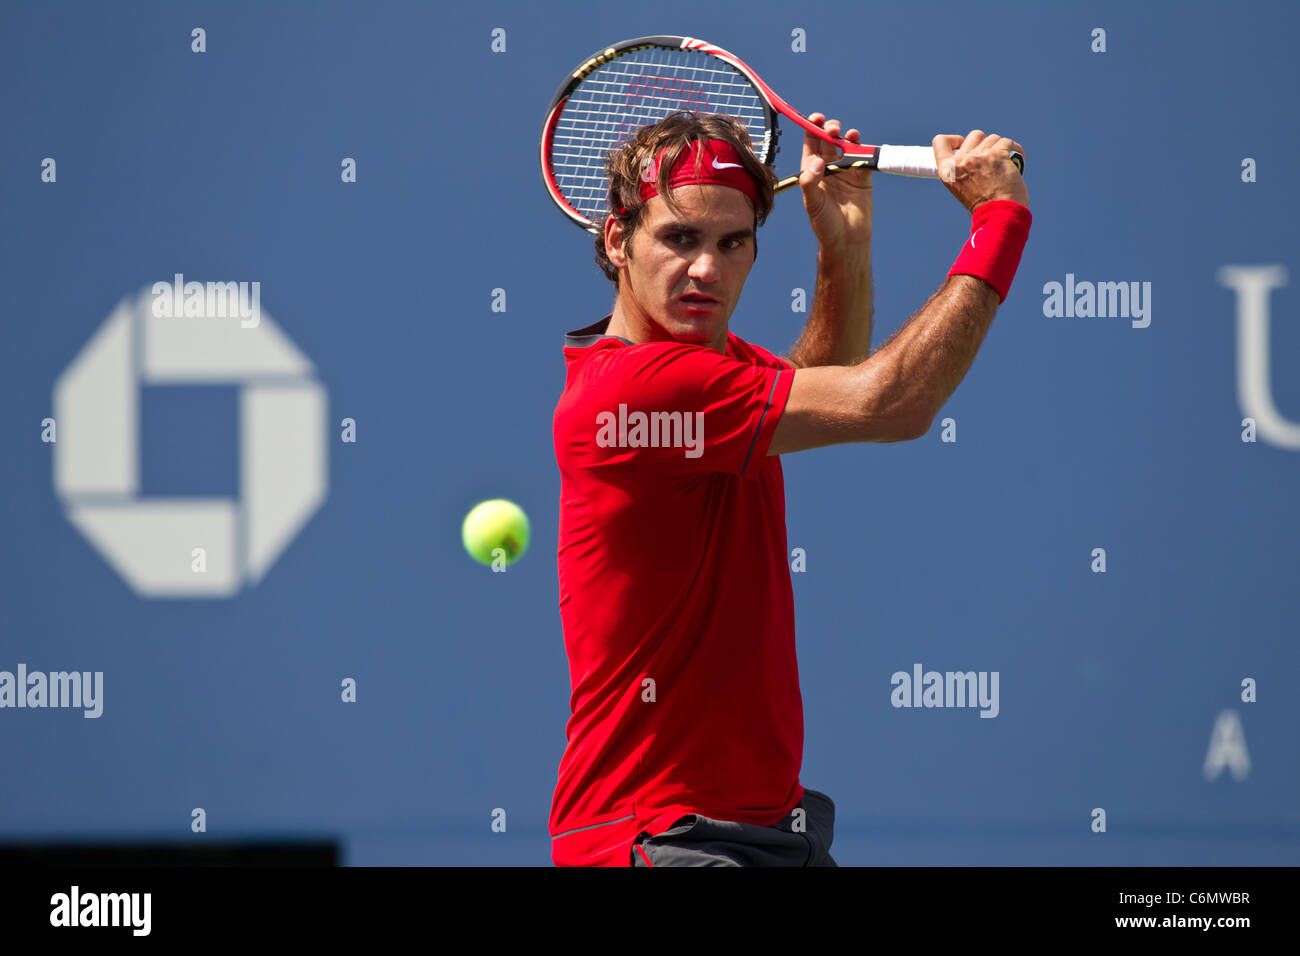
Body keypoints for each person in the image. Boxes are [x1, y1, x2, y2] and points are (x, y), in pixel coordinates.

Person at [549, 110, 1031, 866]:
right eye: (679, 238)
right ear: (618, 242)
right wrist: (999, 221)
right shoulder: (631, 392)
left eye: (731, 243)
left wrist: (844, 252)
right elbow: (886, 404)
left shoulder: (707, 373)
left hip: (762, 831)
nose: (706, 268)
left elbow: (820, 390)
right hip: (658, 840)